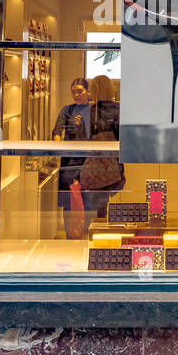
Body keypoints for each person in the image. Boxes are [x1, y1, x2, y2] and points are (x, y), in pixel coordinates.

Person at [78, 75, 126, 229]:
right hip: (113, 169)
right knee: (103, 207)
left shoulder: (88, 113)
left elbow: (81, 142)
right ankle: (103, 237)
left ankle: (93, 237)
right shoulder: (119, 110)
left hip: (92, 169)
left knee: (92, 209)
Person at [52, 77, 91, 236]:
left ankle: (87, 232)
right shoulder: (66, 110)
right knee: (69, 200)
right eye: (73, 92)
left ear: (87, 91)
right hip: (68, 161)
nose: (76, 95)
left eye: (80, 91)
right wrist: (58, 143)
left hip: (88, 160)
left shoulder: (93, 110)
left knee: (87, 199)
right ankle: (71, 234)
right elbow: (56, 131)